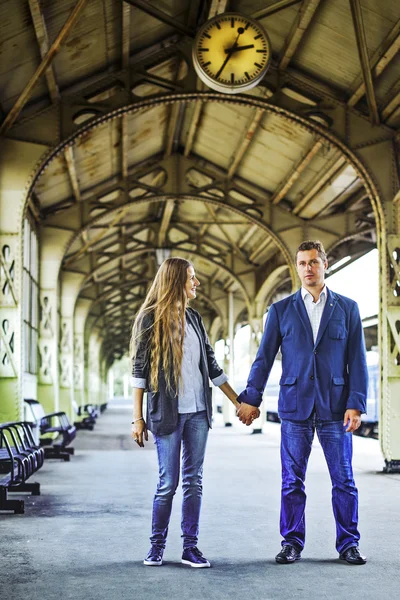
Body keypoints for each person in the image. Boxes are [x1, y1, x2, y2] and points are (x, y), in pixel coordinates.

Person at [237, 240, 368, 565]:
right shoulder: (281, 311)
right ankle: (291, 543)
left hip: (336, 409)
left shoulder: (347, 308)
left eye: (313, 262)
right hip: (295, 408)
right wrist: (251, 398)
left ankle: (348, 544)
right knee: (292, 481)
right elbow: (264, 357)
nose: (308, 268)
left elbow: (357, 360)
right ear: (296, 268)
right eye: (302, 263)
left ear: (325, 264)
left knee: (344, 480)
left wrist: (356, 403)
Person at [130, 257, 257, 568]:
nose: (196, 283)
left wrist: (238, 402)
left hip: (198, 413)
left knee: (193, 482)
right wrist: (138, 418)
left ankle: (190, 547)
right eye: (191, 278)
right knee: (167, 484)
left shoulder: (195, 319)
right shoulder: (149, 320)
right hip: (167, 415)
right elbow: (139, 373)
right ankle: (156, 546)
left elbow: (213, 368)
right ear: (176, 281)